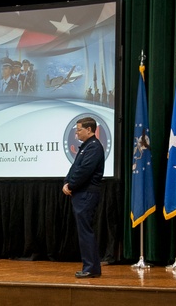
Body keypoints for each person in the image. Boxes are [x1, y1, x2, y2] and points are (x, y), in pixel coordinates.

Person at [61, 116, 105, 278]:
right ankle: (90, 267)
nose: (77, 133)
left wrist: (70, 185)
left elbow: (84, 171)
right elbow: (75, 168)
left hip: (86, 193)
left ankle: (91, 268)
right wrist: (67, 181)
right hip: (81, 193)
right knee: (83, 231)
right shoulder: (86, 146)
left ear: (89, 129)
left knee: (85, 231)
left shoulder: (94, 147)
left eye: (79, 130)